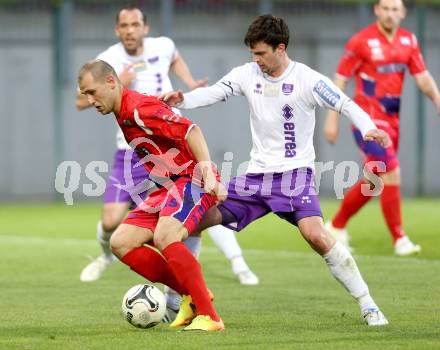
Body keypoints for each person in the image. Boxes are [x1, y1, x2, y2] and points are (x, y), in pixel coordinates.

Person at [161, 14, 390, 326]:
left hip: (294, 176)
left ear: (280, 48)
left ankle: (368, 304)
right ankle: (177, 300)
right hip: (256, 177)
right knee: (195, 220)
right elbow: (214, 92)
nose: (256, 61)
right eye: (253, 54)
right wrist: (182, 99)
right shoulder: (247, 74)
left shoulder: (308, 79)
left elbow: (345, 103)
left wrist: (367, 127)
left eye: (260, 54)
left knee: (316, 236)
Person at [75, 6, 258, 292]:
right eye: (124, 25)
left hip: (164, 145)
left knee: (192, 209)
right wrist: (119, 84)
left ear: (145, 28)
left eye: (135, 24)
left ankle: (237, 264)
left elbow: (175, 59)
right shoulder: (107, 62)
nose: (130, 30)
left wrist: (189, 83)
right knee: (112, 222)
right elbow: (80, 101)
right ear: (117, 30)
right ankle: (106, 256)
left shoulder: (163, 46)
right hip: (131, 152)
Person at [78, 59, 226, 331]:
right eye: (85, 94)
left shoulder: (138, 108)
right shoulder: (123, 111)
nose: (89, 100)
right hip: (169, 186)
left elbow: (192, 130)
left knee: (165, 235)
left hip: (191, 179)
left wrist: (206, 171)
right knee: (120, 242)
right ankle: (191, 295)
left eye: (92, 92)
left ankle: (210, 316)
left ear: (111, 82)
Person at [323, 0, 440, 256]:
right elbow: (339, 81)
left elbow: (422, 77)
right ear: (376, 10)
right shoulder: (360, 41)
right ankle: (400, 239)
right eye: (385, 8)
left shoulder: (409, 41)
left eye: (394, 9)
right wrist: (332, 119)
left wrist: (437, 99)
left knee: (374, 181)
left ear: (403, 13)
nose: (390, 14)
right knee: (392, 172)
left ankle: (336, 225)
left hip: (392, 122)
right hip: (367, 122)